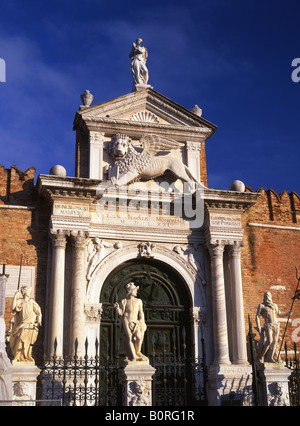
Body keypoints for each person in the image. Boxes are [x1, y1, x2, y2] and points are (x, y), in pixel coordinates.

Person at [115, 282, 148, 362]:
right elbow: (121, 313)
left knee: (138, 337)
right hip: (126, 320)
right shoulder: (124, 301)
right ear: (130, 291)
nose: (136, 291)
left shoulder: (139, 301)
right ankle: (134, 356)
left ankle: (138, 352)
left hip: (135, 322)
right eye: (135, 290)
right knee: (129, 337)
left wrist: (142, 321)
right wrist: (117, 308)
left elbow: (141, 312)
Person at [8, 286, 42, 363]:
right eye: (28, 291)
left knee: (28, 340)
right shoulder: (20, 301)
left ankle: (27, 355)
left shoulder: (32, 302)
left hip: (31, 322)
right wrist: (15, 297)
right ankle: (17, 355)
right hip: (23, 323)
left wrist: (39, 318)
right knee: (20, 338)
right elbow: (13, 308)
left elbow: (38, 311)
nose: (29, 292)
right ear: (24, 292)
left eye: (30, 291)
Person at [256, 291, 289, 363]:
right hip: (268, 325)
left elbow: (279, 313)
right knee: (269, 341)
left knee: (275, 342)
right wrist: (258, 326)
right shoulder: (262, 306)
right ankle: (262, 357)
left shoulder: (274, 305)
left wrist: (287, 314)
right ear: (264, 297)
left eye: (268, 296)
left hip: (276, 325)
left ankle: (270, 357)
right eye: (266, 296)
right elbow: (257, 316)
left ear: (270, 297)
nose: (267, 297)